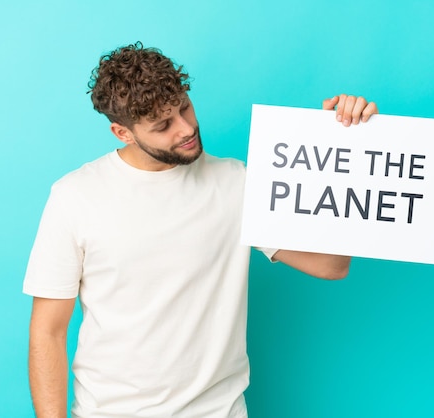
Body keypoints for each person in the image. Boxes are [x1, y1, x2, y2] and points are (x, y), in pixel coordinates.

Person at [23, 42, 378, 418]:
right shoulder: (75, 197)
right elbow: (48, 332)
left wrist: (343, 149)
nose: (187, 128)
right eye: (163, 125)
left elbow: (332, 266)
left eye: (184, 107)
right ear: (122, 132)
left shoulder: (236, 183)